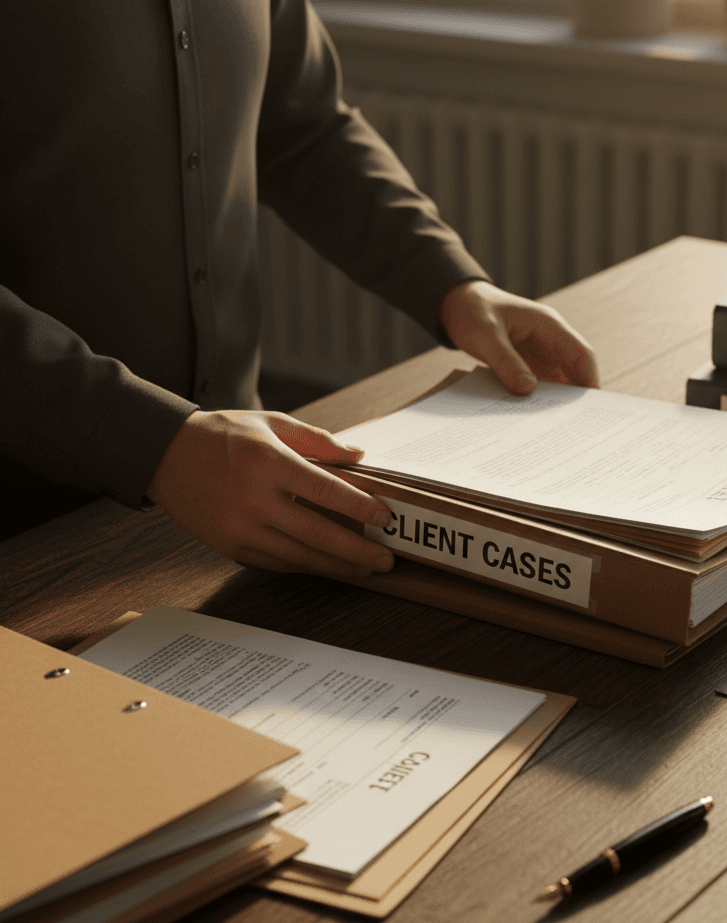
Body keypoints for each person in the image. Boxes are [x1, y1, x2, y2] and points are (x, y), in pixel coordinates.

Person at [0, 1, 599, 572]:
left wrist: (451, 282)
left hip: (244, 491)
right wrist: (153, 444)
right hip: (28, 531)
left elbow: (305, 130)